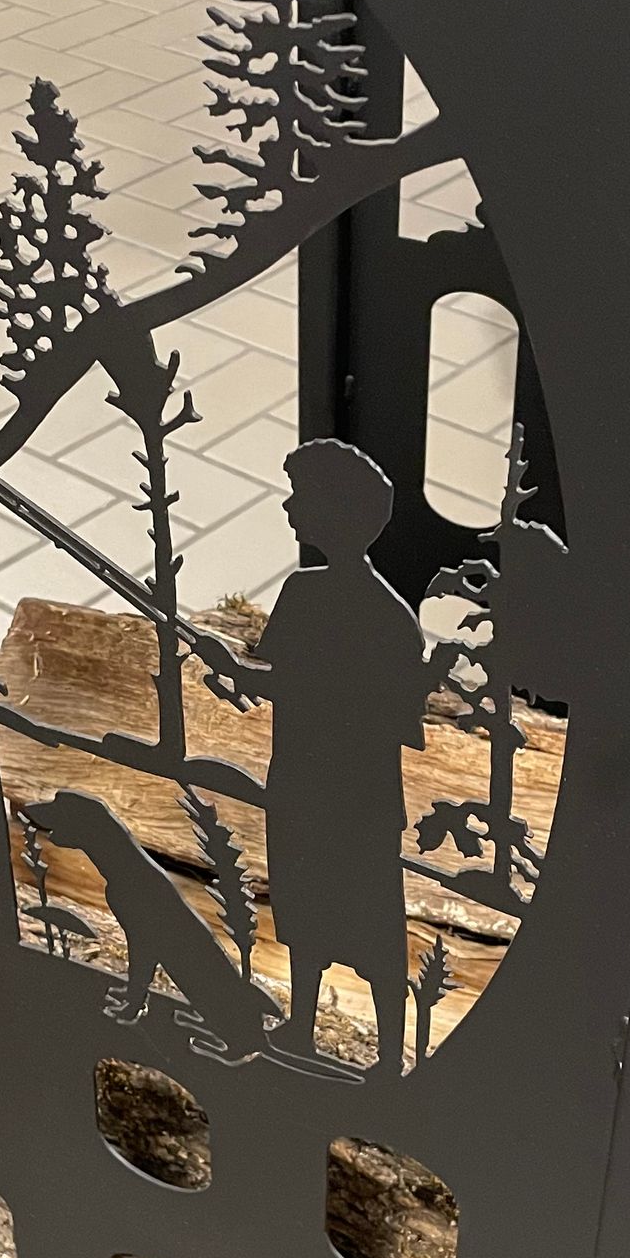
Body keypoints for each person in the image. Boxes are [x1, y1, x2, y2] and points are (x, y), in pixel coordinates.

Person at [200, 440, 437, 1074]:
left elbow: (341, 697)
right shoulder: (312, 596)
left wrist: (249, 675)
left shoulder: (379, 617)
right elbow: (287, 681)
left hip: (352, 795)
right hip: (305, 783)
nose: (287, 506)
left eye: (301, 497)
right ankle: (302, 1026)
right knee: (303, 905)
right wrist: (241, 675)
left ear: (336, 512)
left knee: (370, 919)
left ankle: (389, 1058)